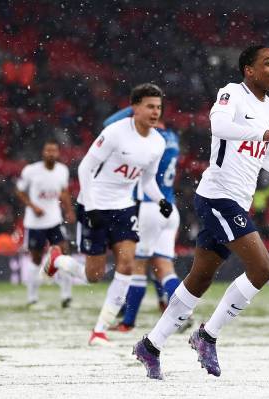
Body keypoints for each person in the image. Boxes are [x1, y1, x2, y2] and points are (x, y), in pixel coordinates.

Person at [133, 45, 269, 379]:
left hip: (236, 201)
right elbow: (218, 128)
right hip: (218, 198)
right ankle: (207, 335)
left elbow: (265, 156)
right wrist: (262, 132)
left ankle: (151, 345)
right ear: (248, 69)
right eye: (267, 63)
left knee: (199, 279)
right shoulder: (231, 94)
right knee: (262, 268)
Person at [41, 83, 173, 346]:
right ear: (135, 108)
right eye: (150, 106)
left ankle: (99, 330)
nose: (155, 112)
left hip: (125, 207)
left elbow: (147, 180)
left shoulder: (158, 142)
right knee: (94, 275)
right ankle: (59, 260)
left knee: (126, 265)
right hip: (94, 205)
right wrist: (90, 207)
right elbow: (86, 168)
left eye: (158, 107)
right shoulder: (114, 133)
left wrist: (160, 200)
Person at [101, 106, 185, 332]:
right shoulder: (172, 138)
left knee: (137, 266)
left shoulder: (151, 140)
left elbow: (108, 124)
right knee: (165, 268)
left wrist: (133, 108)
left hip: (149, 206)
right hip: (169, 208)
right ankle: (183, 314)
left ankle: (128, 322)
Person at [15, 139, 75, 308]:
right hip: (35, 223)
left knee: (63, 254)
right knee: (35, 259)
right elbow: (19, 191)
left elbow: (64, 192)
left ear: (58, 153)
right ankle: (32, 297)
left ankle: (66, 296)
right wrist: (33, 206)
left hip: (54, 220)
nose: (51, 153)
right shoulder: (31, 171)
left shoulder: (62, 171)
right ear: (43, 152)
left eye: (54, 150)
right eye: (48, 150)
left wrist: (69, 210)